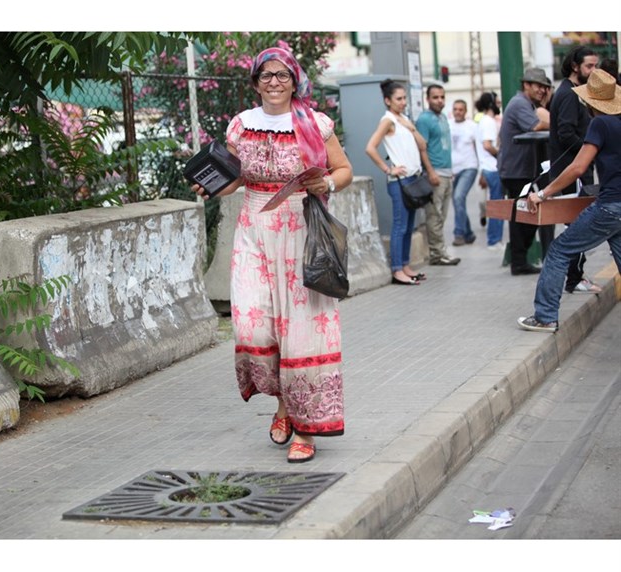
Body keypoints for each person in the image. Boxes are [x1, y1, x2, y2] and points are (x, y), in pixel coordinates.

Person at [190, 47, 353, 463]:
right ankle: (283, 401)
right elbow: (233, 179)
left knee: (302, 332)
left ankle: (305, 429)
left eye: (282, 75)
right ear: (254, 82)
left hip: (302, 232)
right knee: (252, 328)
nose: (275, 82)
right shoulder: (242, 126)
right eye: (266, 76)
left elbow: (343, 171)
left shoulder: (315, 124)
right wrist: (209, 186)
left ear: (295, 81)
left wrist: (327, 186)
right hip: (254, 232)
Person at [517, 68, 621, 332]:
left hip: (610, 206)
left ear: (588, 101)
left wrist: (542, 193)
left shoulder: (600, 124)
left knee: (560, 250)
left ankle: (545, 316)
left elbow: (577, 167)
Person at [365, 79, 430, 285]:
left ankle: (405, 265)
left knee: (409, 225)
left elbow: (423, 145)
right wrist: (388, 169)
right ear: (388, 100)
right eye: (399, 99)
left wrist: (410, 127)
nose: (403, 102)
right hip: (399, 181)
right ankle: (396, 269)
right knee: (400, 225)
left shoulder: (403, 120)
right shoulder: (388, 120)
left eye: (404, 98)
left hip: (412, 178)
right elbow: (370, 147)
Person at [548, 46, 601, 294]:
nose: (593, 71)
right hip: (572, 171)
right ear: (575, 66)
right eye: (589, 66)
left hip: (577, 169)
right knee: (577, 226)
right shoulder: (569, 94)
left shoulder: (575, 92)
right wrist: (590, 149)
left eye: (595, 66)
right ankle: (574, 278)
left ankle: (575, 276)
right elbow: (566, 132)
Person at [498, 67, 552, 275]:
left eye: (544, 87)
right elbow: (537, 125)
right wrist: (558, 121)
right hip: (516, 170)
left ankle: (520, 260)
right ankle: (519, 262)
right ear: (526, 85)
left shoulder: (527, 104)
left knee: (525, 215)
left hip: (522, 170)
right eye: (538, 86)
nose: (541, 90)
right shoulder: (520, 104)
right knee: (523, 217)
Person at [416, 85, 461, 266]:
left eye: (442, 97)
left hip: (447, 173)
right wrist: (431, 172)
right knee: (434, 216)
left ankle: (439, 250)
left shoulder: (443, 117)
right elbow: (422, 148)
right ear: (428, 99)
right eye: (435, 97)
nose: (440, 100)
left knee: (441, 216)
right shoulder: (424, 120)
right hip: (434, 174)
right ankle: (437, 254)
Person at [474, 92, 505, 250]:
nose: (499, 105)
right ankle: (494, 240)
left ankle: (495, 239)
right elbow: (487, 145)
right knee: (497, 205)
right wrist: (500, 156)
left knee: (496, 203)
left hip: (488, 167)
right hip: (493, 168)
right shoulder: (488, 122)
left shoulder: (484, 121)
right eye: (497, 102)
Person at [450, 99, 480, 246]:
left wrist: (482, 171)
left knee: (458, 197)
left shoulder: (472, 127)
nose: (457, 112)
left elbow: (479, 148)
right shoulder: (448, 125)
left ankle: (459, 233)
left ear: (465, 111)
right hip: (452, 169)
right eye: (455, 109)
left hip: (469, 167)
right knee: (457, 201)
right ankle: (469, 234)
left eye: (460, 109)